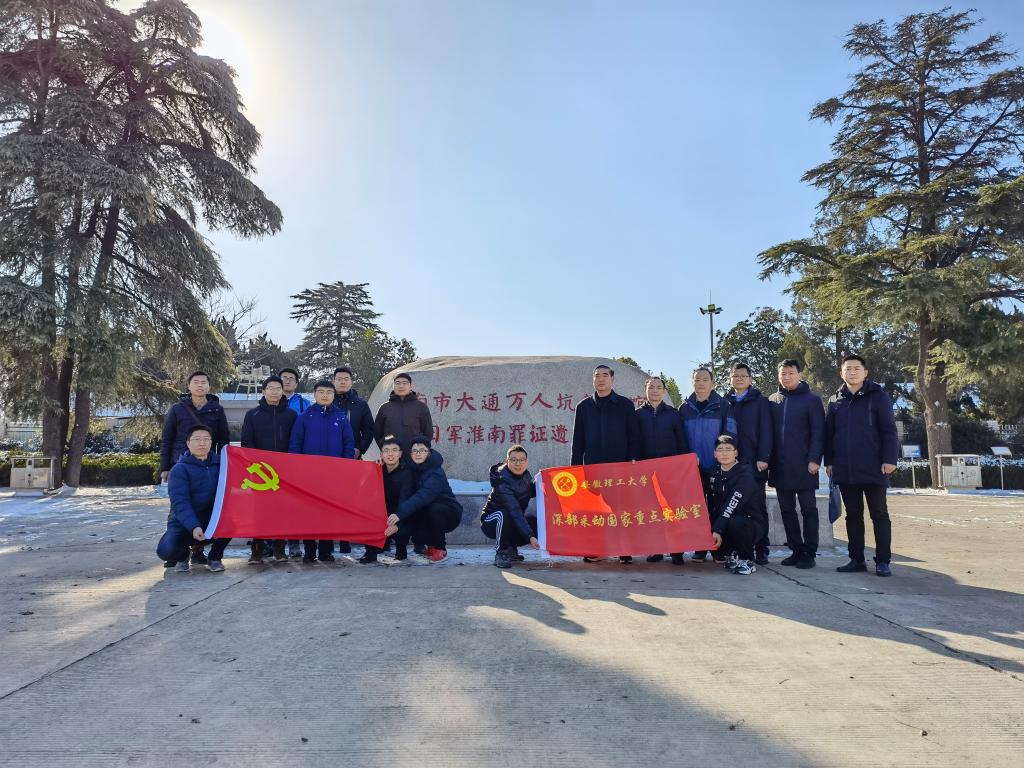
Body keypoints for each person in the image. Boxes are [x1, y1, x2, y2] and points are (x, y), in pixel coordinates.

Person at [825, 354, 899, 577]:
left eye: (856, 368)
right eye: (848, 369)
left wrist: (890, 459)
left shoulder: (878, 396)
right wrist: (829, 461)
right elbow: (829, 435)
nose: (852, 372)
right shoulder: (835, 400)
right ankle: (856, 559)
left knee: (879, 514)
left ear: (865, 372)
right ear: (841, 373)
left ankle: (883, 561)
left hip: (874, 466)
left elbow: (889, 430)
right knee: (853, 515)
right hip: (845, 467)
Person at [570, 364, 641, 564]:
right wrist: (575, 468)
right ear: (593, 380)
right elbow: (578, 440)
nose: (600, 379)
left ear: (612, 379)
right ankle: (594, 549)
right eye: (597, 376)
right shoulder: (583, 407)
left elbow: (634, 436)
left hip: (619, 469)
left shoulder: (625, 405)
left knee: (620, 510)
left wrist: (633, 459)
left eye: (604, 375)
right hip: (593, 468)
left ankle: (624, 549)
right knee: (595, 511)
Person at [158, 371, 230, 567]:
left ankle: (198, 551)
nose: (200, 385)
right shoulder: (177, 409)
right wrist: (165, 467)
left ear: (209, 386)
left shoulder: (216, 410)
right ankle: (179, 552)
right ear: (189, 386)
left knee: (208, 505)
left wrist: (224, 464)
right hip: (180, 463)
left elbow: (223, 439)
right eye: (196, 382)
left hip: (208, 465)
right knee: (178, 506)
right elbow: (167, 439)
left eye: (203, 382)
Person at [288, 380, 355, 563]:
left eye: (329, 392)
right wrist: (296, 468)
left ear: (334, 395)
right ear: (315, 394)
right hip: (308, 475)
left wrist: (346, 467)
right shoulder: (304, 417)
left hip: (333, 475)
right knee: (308, 512)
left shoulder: (341, 418)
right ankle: (309, 550)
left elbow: (348, 444)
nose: (325, 395)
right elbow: (295, 444)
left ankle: (326, 550)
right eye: (321, 392)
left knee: (328, 512)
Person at [768, 359, 825, 570]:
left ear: (799, 374)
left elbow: (819, 432)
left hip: (805, 465)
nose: (787, 377)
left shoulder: (812, 400)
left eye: (791, 373)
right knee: (786, 509)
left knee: (808, 509)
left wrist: (814, 459)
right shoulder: (772, 400)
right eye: (783, 373)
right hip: (780, 466)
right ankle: (796, 549)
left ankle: (809, 552)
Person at [156, 424, 231, 573]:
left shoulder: (224, 465)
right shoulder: (179, 469)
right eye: (197, 439)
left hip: (213, 520)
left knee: (234, 519)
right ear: (188, 443)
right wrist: (193, 526)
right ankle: (183, 554)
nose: (202, 443)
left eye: (206, 439)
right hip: (184, 522)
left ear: (211, 442)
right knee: (166, 551)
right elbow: (180, 503)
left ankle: (215, 557)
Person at [680, 367, 737, 562]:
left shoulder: (724, 406)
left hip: (716, 467)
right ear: (692, 382)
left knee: (717, 507)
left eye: (705, 379)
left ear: (712, 383)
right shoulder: (684, 408)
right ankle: (700, 547)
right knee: (697, 509)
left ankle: (718, 548)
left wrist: (723, 458)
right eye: (697, 379)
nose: (701, 383)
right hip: (692, 469)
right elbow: (680, 438)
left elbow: (730, 435)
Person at [239, 375, 296, 564]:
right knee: (259, 511)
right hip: (260, 472)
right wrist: (258, 464)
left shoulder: (291, 415)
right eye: (270, 388)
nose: (274, 392)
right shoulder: (252, 414)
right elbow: (246, 442)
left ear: (282, 391)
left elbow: (294, 441)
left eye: (278, 388)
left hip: (284, 472)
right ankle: (257, 550)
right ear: (263, 391)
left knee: (282, 510)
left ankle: (279, 549)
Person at [635, 376, 689, 565]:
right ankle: (655, 549)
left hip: (670, 470)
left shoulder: (673, 414)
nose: (655, 391)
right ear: (645, 390)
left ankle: (676, 550)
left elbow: (681, 440)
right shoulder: (638, 414)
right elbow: (635, 441)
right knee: (652, 511)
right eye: (651, 387)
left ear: (664, 391)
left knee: (672, 510)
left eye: (659, 387)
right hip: (647, 471)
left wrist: (684, 463)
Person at [725, 363, 773, 564]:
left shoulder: (760, 401)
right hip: (731, 465)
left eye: (743, 376)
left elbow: (767, 431)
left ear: (750, 379)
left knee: (757, 507)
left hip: (754, 463)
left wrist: (764, 457)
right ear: (730, 379)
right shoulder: (726, 402)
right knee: (734, 507)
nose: (739, 379)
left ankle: (762, 548)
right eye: (735, 376)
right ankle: (740, 549)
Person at [390, 436, 463, 563]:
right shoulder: (410, 468)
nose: (418, 454)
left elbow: (424, 495)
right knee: (418, 529)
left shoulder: (435, 471)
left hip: (448, 512)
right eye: (414, 451)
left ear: (428, 452)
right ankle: (430, 544)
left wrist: (400, 513)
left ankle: (440, 548)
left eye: (422, 450)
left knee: (434, 509)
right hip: (426, 510)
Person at [333, 365, 375, 554]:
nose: (342, 382)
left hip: (352, 459)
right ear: (333, 381)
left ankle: (345, 539)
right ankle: (327, 538)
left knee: (349, 499)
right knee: (330, 498)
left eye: (346, 379)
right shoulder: (326, 401)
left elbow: (369, 430)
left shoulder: (360, 405)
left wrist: (360, 449)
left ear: (351, 382)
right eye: (339, 379)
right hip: (328, 460)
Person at [708, 435, 765, 576]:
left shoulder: (745, 475)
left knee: (734, 521)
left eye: (728, 449)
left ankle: (747, 560)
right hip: (726, 519)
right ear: (715, 454)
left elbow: (731, 504)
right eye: (720, 449)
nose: (724, 453)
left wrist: (717, 529)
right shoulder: (715, 472)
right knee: (710, 518)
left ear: (736, 453)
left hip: (749, 523)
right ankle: (730, 554)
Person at [480, 445, 539, 568]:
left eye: (521, 460)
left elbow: (531, 491)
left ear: (526, 462)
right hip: (491, 521)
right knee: (505, 514)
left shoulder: (526, 476)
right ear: (507, 461)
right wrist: (530, 536)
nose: (518, 464)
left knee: (535, 522)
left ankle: (510, 547)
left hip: (511, 520)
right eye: (514, 460)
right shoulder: (502, 480)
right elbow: (514, 510)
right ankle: (501, 552)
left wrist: (545, 481)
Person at [361, 436, 415, 564]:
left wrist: (397, 524)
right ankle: (371, 551)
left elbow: (405, 501)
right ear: (381, 454)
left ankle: (401, 548)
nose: (390, 454)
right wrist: (374, 468)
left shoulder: (407, 473)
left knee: (404, 527)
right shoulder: (377, 469)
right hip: (380, 515)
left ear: (400, 454)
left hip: (399, 515)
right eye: (386, 450)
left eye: (394, 450)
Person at [279, 367, 308, 556]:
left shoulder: (305, 404)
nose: (287, 381)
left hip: (296, 459)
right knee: (274, 502)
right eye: (284, 378)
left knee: (295, 503)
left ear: (296, 384)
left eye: (291, 378)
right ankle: (271, 543)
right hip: (274, 459)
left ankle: (294, 542)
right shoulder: (270, 401)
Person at [373, 372, 432, 452]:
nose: (401, 386)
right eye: (397, 383)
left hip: (414, 455)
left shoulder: (421, 407)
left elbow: (428, 432)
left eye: (404, 383)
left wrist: (421, 451)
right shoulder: (385, 408)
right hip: (392, 455)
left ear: (410, 386)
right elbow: (377, 432)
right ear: (393, 386)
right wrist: (385, 450)